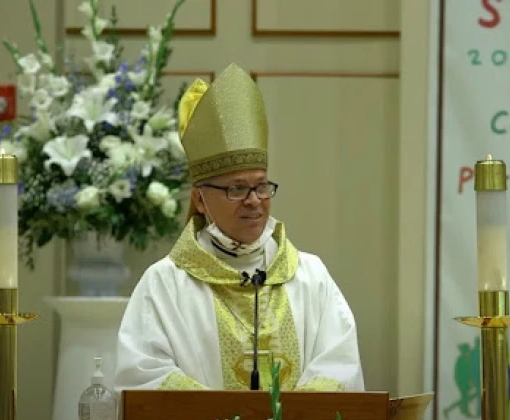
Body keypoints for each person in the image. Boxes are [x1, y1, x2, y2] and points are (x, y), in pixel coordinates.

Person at [113, 63, 365, 393]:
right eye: (236, 189)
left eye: (261, 187)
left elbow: (340, 364)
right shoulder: (165, 284)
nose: (253, 201)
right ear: (200, 200)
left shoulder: (309, 276)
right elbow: (142, 373)